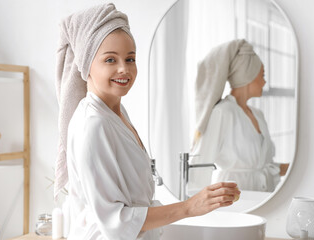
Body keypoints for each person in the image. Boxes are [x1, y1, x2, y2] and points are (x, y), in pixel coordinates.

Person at [54, 3, 240, 240]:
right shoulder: (93, 125)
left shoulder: (116, 114)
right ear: (86, 64)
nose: (124, 69)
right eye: (110, 60)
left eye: (130, 59)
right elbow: (116, 221)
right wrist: (190, 206)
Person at [191, 39, 289, 192]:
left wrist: (295, 169)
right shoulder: (222, 113)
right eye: (262, 75)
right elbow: (199, 165)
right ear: (248, 75)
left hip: (265, 197)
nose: (264, 82)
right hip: (234, 199)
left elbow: (262, 166)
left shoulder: (258, 115)